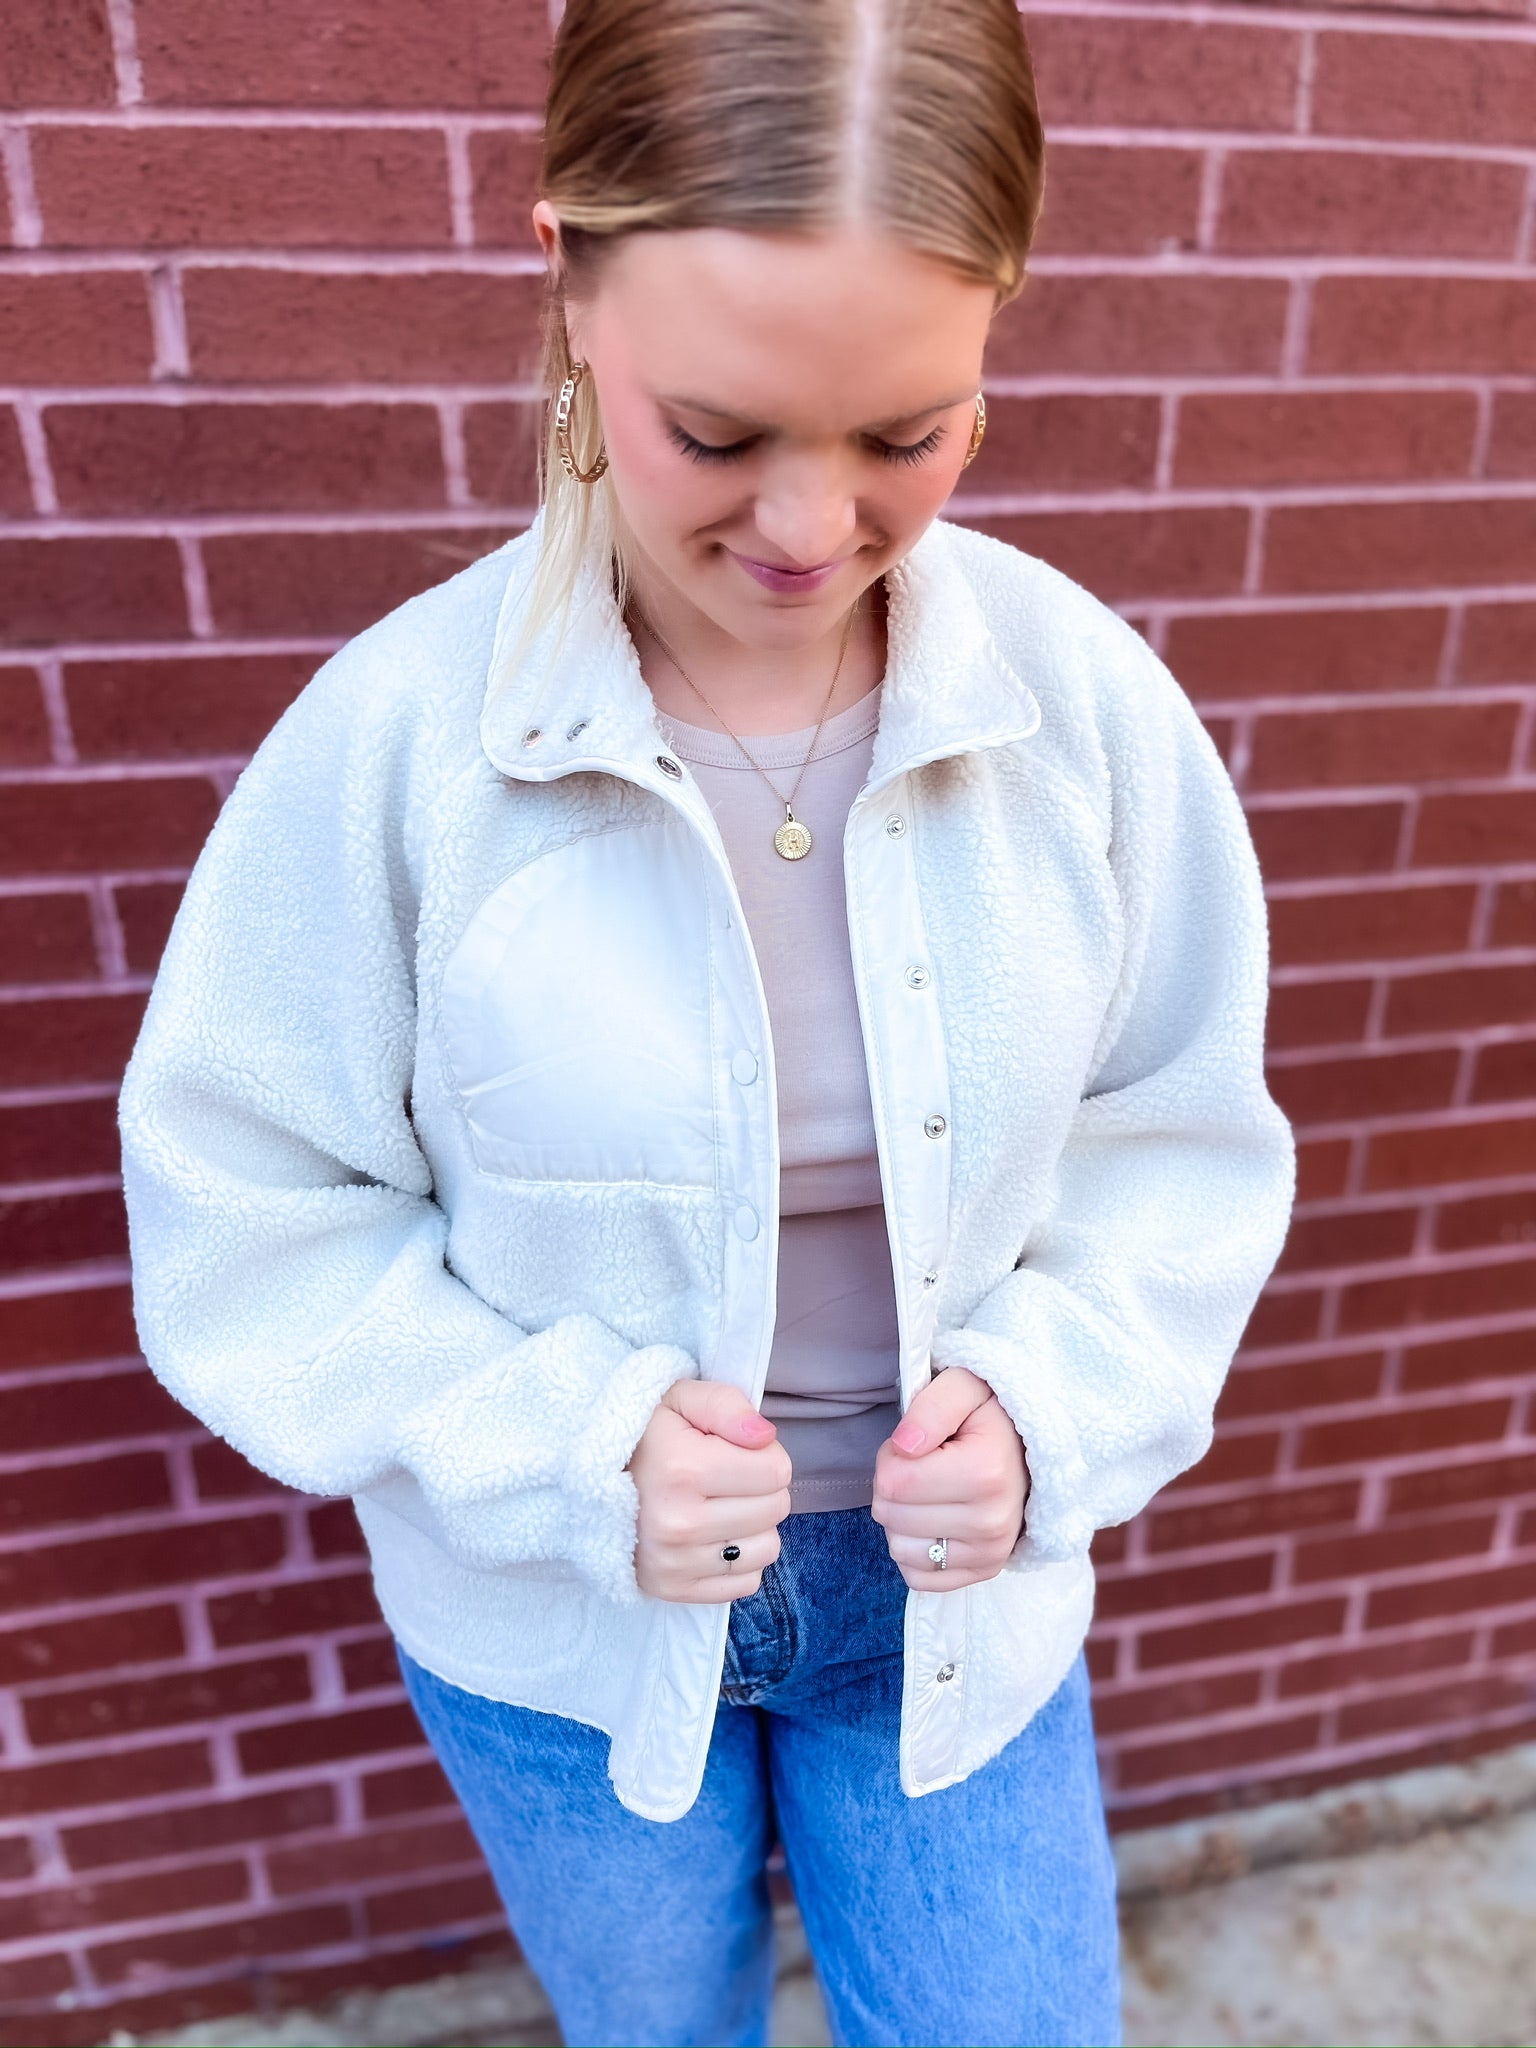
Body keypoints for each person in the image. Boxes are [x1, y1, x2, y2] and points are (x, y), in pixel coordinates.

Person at [118, 1, 1295, 2042]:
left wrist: (1054, 1409)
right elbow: (248, 1219)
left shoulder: (1084, 714)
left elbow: (1175, 1141)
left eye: (905, 435)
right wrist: (568, 1452)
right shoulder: (401, 746)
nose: (811, 529)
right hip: (556, 1639)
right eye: (724, 433)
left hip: (958, 1614)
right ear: (571, 285)